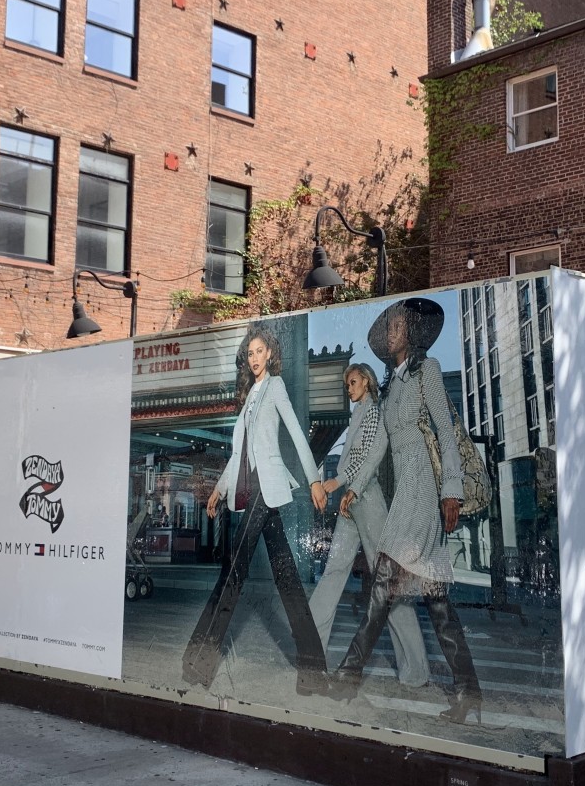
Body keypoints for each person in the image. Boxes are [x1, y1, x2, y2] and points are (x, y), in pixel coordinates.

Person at [330, 298, 483, 724]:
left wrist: (451, 491)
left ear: (412, 333)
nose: (391, 331)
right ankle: (469, 692)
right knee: (435, 597)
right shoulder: (391, 388)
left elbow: (445, 432)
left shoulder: (426, 371)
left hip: (424, 489)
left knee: (384, 580)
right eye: (389, 326)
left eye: (398, 325)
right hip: (404, 494)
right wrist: (353, 487)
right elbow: (378, 447)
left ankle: (348, 673)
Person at [183, 324, 330, 696]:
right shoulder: (249, 397)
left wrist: (314, 479)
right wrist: (218, 491)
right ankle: (314, 670)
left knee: (233, 569)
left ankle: (200, 662)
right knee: (287, 578)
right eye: (249, 353)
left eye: (259, 351)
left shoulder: (275, 386)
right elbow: (238, 455)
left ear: (270, 354)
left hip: (267, 487)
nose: (254, 358)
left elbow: (296, 431)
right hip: (252, 491)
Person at [308, 363, 429, 687]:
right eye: (346, 384)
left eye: (353, 382)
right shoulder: (358, 414)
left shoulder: (374, 410)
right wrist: (344, 488)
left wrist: (344, 485)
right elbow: (353, 459)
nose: (348, 388)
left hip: (367, 499)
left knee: (387, 580)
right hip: (350, 502)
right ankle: (310, 648)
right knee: (334, 570)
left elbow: (372, 455)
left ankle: (416, 668)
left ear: (367, 381)